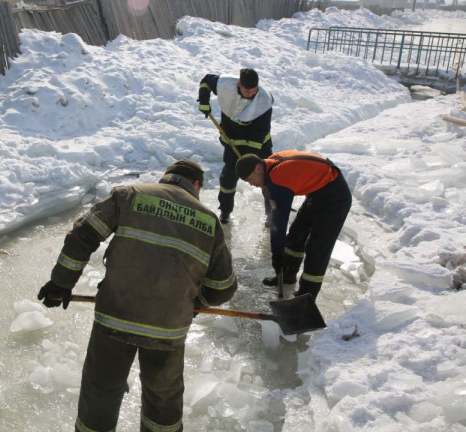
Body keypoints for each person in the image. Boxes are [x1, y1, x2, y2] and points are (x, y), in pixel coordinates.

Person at [37, 159, 237, 432]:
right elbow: (223, 287)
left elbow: (82, 236)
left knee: (101, 392)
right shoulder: (208, 221)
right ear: (197, 184)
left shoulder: (129, 195)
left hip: (115, 319)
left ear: (167, 177)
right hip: (168, 330)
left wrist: (61, 283)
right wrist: (193, 304)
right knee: (163, 401)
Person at [236, 150, 352, 299]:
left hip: (335, 197)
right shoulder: (270, 164)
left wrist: (277, 255)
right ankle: (287, 275)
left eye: (249, 179)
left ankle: (306, 297)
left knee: (317, 249)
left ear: (258, 168)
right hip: (317, 192)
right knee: (296, 234)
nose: (251, 184)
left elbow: (278, 222)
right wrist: (278, 256)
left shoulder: (278, 179)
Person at [197, 68, 273, 224]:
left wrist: (249, 163)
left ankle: (271, 214)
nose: (250, 94)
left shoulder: (264, 101)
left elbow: (259, 133)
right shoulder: (226, 85)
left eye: (254, 91)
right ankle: (225, 211)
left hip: (259, 145)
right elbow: (206, 81)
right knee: (229, 177)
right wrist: (204, 100)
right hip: (233, 141)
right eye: (247, 91)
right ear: (239, 84)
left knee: (268, 177)